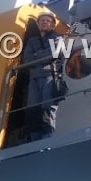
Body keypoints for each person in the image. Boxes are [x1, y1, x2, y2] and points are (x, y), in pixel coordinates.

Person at [23, 9, 64, 141]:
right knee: (32, 111)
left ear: (53, 25)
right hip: (34, 79)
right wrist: (43, 55)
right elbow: (26, 59)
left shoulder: (58, 38)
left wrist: (36, 56)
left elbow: (53, 53)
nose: (44, 22)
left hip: (49, 77)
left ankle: (46, 143)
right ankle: (33, 143)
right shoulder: (32, 41)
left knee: (48, 110)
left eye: (48, 20)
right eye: (42, 20)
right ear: (38, 24)